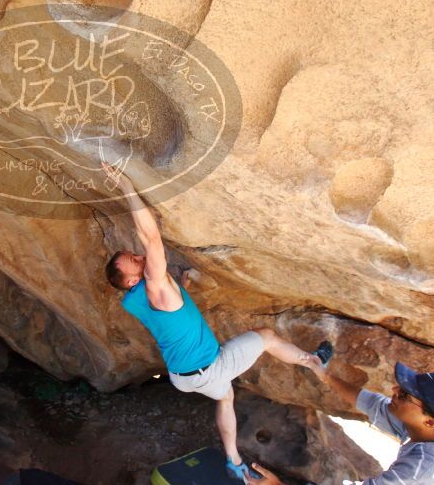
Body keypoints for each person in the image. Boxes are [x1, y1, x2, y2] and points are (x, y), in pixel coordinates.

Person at [100, 162, 330, 481]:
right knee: (264, 336)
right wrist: (126, 186)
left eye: (134, 255)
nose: (139, 258)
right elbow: (151, 238)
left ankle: (233, 461)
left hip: (183, 375)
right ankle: (314, 362)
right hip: (209, 367)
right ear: (130, 281)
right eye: (133, 262)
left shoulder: (133, 300)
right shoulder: (154, 288)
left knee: (226, 397)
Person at [245, 362, 434, 484]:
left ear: (430, 422)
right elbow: (373, 404)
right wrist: (324, 375)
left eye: (404, 396)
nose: (394, 390)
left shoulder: (417, 471)